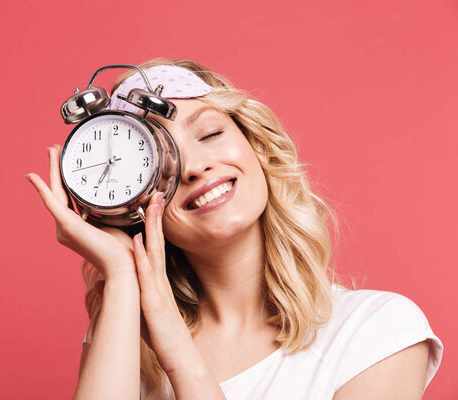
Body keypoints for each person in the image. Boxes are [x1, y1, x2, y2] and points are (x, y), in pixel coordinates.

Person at [25, 58, 443, 399]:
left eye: (209, 133)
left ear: (256, 148)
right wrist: (120, 269)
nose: (194, 167)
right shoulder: (123, 341)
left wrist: (180, 355)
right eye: (159, 164)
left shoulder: (377, 332)